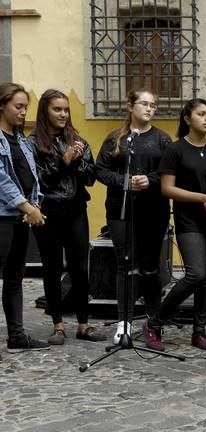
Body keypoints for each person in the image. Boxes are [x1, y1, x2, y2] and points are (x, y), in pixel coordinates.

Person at [143, 98, 206, 351]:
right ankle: (155, 322)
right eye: (201, 114)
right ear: (187, 118)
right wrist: (203, 197)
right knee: (195, 273)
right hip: (188, 220)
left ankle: (199, 331)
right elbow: (167, 188)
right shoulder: (175, 149)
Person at [28, 89, 106, 345]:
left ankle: (84, 325)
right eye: (56, 109)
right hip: (47, 211)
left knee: (79, 268)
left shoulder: (78, 140)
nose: (63, 114)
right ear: (45, 112)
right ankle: (58, 325)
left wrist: (77, 161)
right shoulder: (32, 144)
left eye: (65, 110)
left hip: (74, 210)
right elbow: (38, 180)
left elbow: (91, 179)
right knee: (51, 268)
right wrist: (63, 161)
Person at [95, 89, 173, 345]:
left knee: (151, 268)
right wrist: (124, 181)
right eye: (144, 104)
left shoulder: (162, 139)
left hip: (154, 211)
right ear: (130, 106)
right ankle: (123, 322)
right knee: (125, 266)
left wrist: (148, 180)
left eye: (153, 105)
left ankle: (154, 322)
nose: (149, 109)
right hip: (121, 210)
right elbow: (101, 170)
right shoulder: (117, 138)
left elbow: (170, 171)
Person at [0, 82, 49, 352]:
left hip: (21, 214)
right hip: (4, 215)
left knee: (15, 277)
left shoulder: (21, 140)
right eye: (18, 106)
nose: (22, 112)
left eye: (25, 107)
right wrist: (27, 207)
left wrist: (34, 203)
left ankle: (16, 336)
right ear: (2, 105)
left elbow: (30, 177)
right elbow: (2, 180)